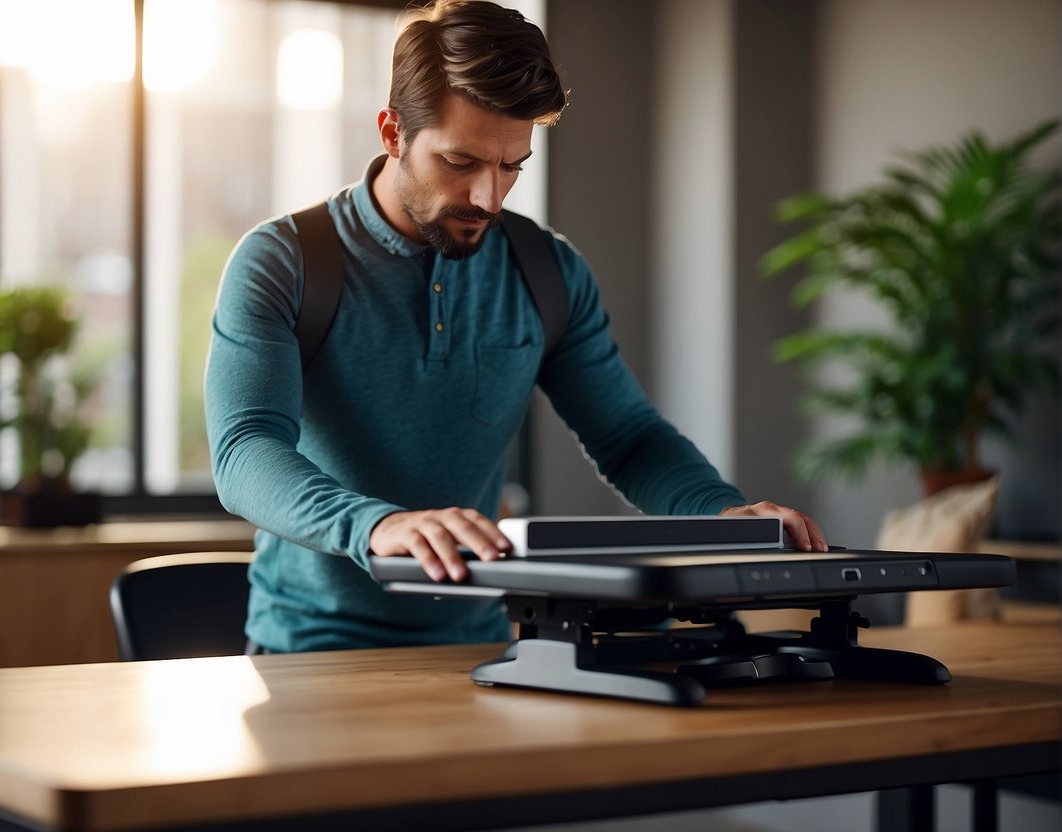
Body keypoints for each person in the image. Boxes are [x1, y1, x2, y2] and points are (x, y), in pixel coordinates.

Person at [205, 0, 826, 654]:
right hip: (310, 647)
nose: (487, 198)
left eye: (510, 166)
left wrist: (719, 515)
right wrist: (375, 524)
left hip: (477, 644)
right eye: (460, 162)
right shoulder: (283, 261)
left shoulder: (546, 271)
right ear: (391, 133)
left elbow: (626, 436)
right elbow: (244, 448)